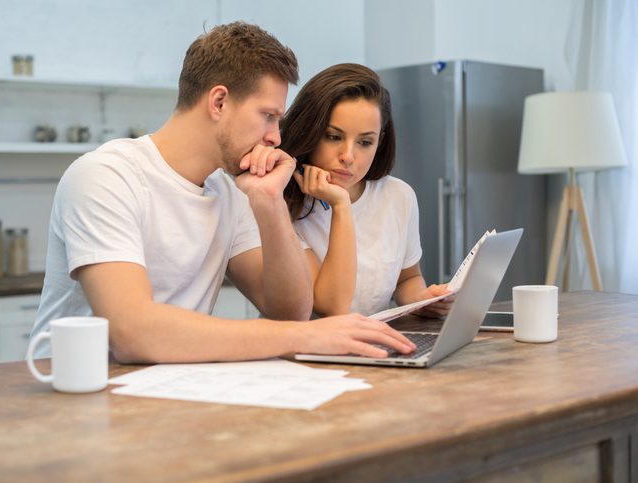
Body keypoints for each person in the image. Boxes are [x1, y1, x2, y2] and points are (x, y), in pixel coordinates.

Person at [32, 23, 417, 363]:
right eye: (268, 116)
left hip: (169, 389)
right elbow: (133, 333)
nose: (276, 138)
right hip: (79, 393)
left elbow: (289, 312)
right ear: (218, 102)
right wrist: (308, 337)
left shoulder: (229, 191)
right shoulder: (106, 176)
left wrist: (269, 204)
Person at [281, 63, 452, 318]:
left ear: (379, 142)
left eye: (364, 142)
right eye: (333, 136)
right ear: (310, 130)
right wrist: (341, 206)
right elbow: (331, 307)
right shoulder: (281, 203)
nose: (348, 156)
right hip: (305, 352)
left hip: (373, 345)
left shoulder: (398, 196)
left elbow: (407, 279)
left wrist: (422, 300)